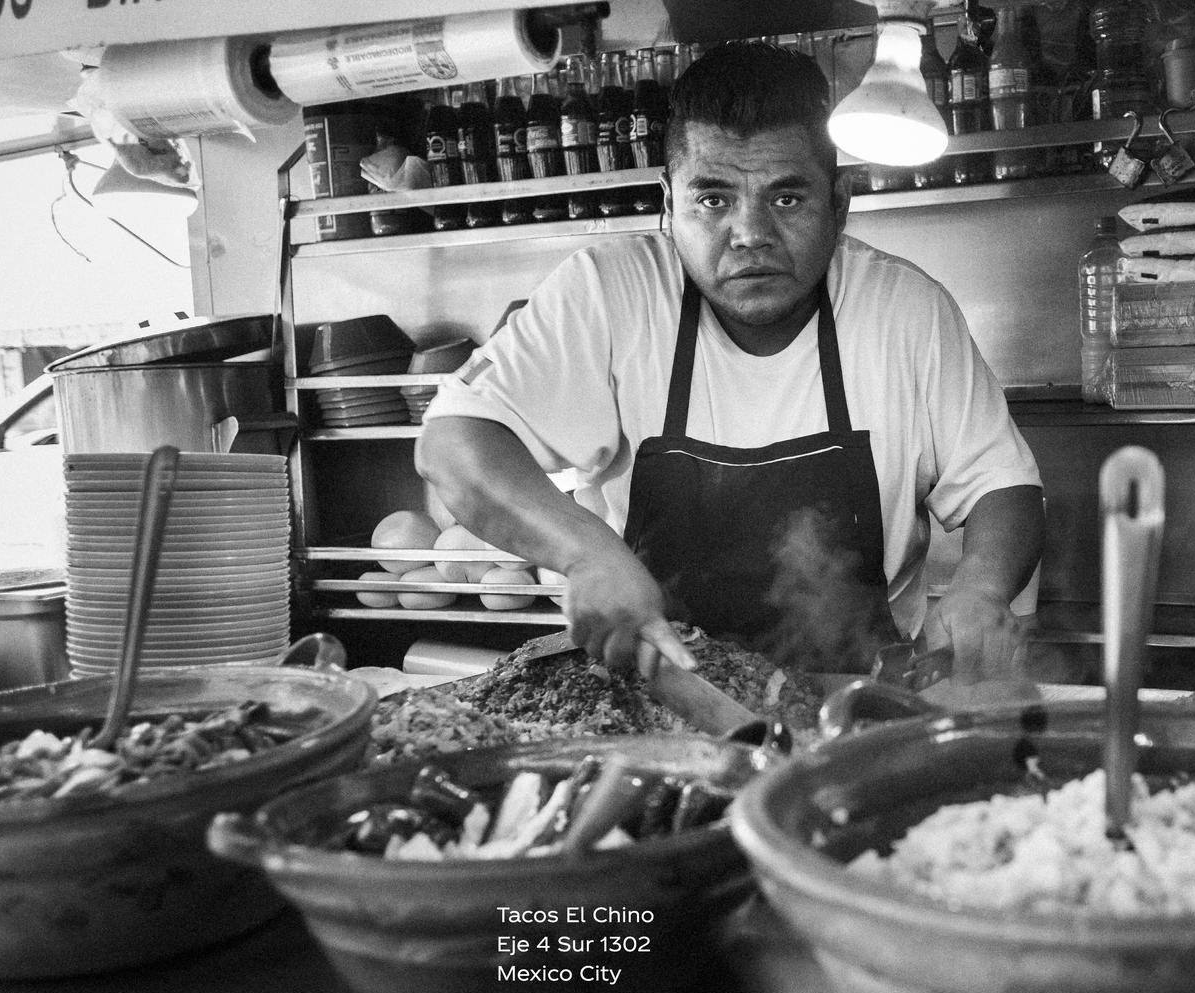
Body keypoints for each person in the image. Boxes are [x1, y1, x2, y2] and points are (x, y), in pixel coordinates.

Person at [418, 41, 1044, 681]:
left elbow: (1002, 484)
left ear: (841, 201)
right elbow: (454, 445)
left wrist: (981, 589)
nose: (750, 234)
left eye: (787, 198)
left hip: (854, 704)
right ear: (669, 201)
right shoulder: (609, 293)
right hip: (652, 698)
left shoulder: (905, 311)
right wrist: (585, 555)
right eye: (713, 200)